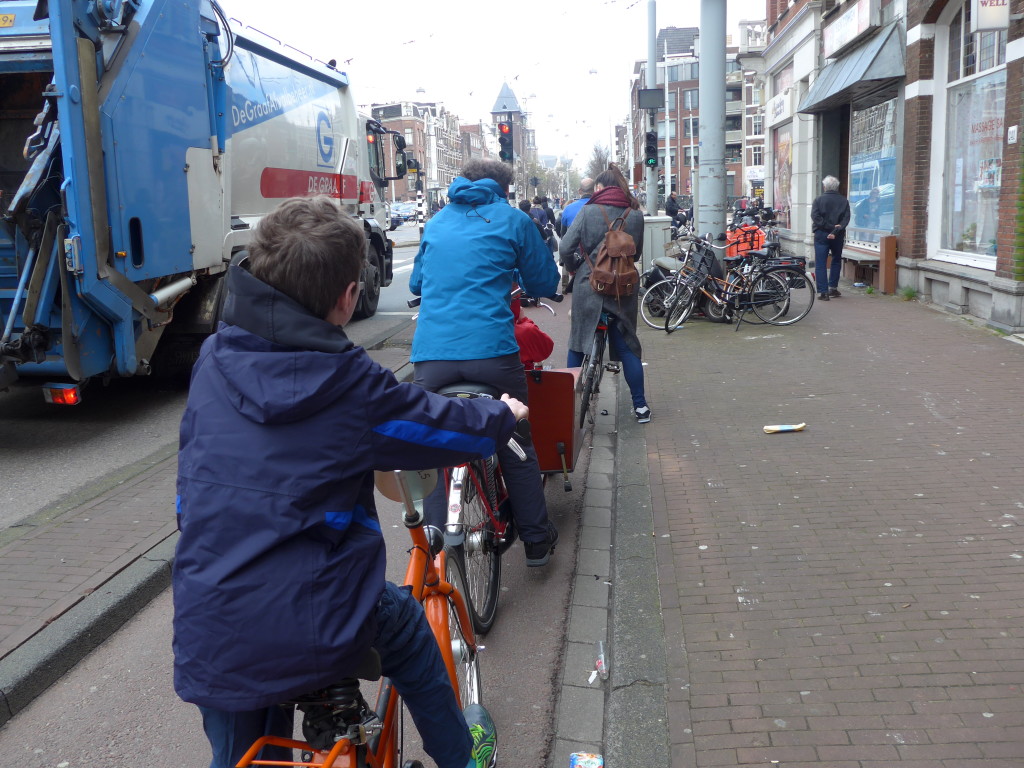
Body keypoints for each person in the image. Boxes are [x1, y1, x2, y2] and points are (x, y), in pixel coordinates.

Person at [172, 196, 516, 768]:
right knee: (406, 630)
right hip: (317, 616)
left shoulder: (213, 357)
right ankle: (462, 758)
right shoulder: (349, 383)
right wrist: (503, 414)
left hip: (212, 617)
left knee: (241, 751)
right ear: (348, 298)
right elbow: (438, 426)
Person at [410, 158, 561, 566]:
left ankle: (433, 548)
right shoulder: (512, 220)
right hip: (492, 356)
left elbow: (416, 283)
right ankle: (535, 540)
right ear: (503, 188)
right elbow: (545, 281)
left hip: (432, 358)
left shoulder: (437, 221)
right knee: (515, 435)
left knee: (429, 440)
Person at [558, 165, 651, 423]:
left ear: (600, 188)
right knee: (627, 345)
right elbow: (637, 253)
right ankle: (640, 407)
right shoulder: (634, 215)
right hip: (622, 289)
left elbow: (565, 246)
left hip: (589, 285)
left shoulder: (588, 211)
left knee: (577, 343)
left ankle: (567, 404)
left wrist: (574, 266)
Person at [810, 175, 851, 301]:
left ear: (824, 187)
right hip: (837, 235)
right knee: (836, 260)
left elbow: (815, 217)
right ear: (836, 187)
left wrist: (828, 227)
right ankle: (833, 287)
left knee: (821, 263)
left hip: (821, 234)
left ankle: (823, 292)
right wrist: (836, 229)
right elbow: (846, 218)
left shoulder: (818, 200)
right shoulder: (844, 201)